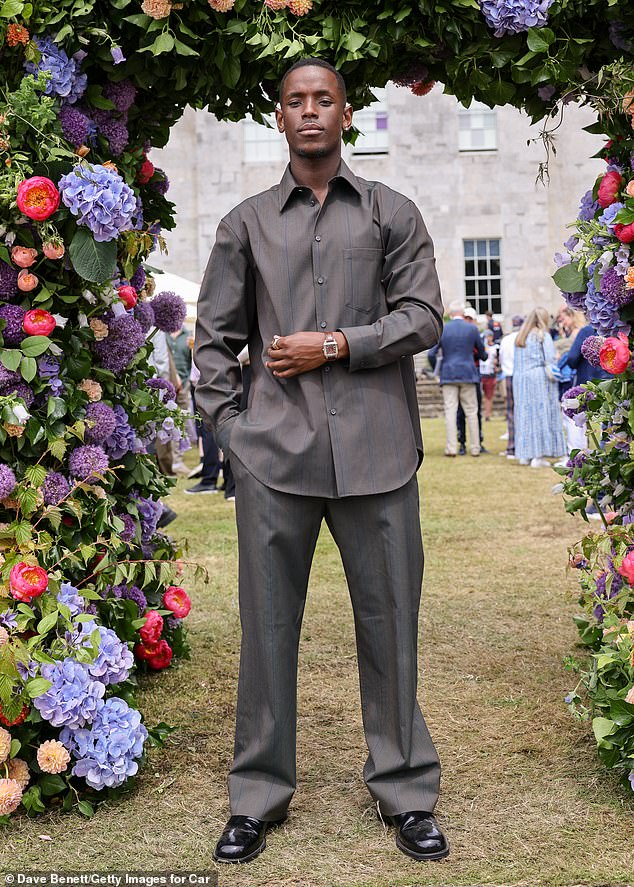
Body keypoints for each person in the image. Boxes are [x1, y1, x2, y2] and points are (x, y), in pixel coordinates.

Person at [194, 58, 447, 864]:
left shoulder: (391, 213)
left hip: (379, 459)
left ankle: (407, 791)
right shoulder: (245, 224)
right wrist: (233, 433)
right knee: (267, 633)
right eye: (296, 101)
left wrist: (338, 343)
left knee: (390, 627)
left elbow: (424, 317)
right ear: (279, 118)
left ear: (348, 115)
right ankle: (258, 796)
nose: (310, 112)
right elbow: (212, 343)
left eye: (324, 100)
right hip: (275, 460)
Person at [429, 301, 487, 457]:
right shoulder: (472, 328)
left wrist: (439, 370)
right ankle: (475, 448)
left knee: (450, 411)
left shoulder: (443, 329)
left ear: (449, 314)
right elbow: (482, 353)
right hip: (468, 373)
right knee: (472, 412)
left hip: (448, 374)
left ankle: (451, 448)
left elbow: (431, 354)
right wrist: (481, 356)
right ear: (463, 313)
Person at [513, 307, 566, 467]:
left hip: (521, 378)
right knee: (541, 413)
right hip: (538, 378)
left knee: (525, 414)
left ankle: (525, 454)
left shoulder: (520, 337)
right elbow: (550, 359)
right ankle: (538, 455)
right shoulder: (542, 336)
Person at [497, 314, 523, 459]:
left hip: (508, 376)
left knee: (511, 412)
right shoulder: (525, 338)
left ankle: (512, 447)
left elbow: (501, 359)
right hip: (521, 376)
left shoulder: (505, 340)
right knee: (523, 411)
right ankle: (522, 446)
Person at [479, 328, 498, 422]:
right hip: (481, 373)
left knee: (489, 396)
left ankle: (487, 415)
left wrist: (497, 364)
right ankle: (481, 413)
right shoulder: (480, 346)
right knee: (479, 395)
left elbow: (499, 360)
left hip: (490, 374)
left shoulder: (496, 347)